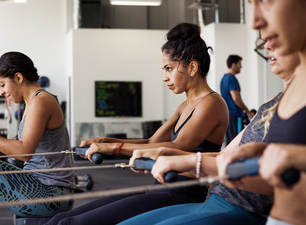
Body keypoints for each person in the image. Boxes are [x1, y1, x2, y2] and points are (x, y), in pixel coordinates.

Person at [46, 23, 229, 225]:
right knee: (60, 218)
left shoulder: (211, 103)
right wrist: (105, 141)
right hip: (159, 186)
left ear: (192, 67)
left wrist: (116, 147)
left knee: (70, 224)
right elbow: (152, 141)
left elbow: (178, 146)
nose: (164, 77)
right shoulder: (185, 105)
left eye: (169, 69)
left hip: (182, 194)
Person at [118, 37, 299, 225]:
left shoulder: (214, 101)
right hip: (214, 199)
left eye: (276, 36)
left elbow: (282, 178)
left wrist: (191, 160)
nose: (267, 45)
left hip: (242, 210)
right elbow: (224, 155)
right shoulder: (269, 103)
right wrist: (166, 153)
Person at [219, 0, 306, 225]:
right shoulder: (290, 88)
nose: (255, 22)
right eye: (250, 1)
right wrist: (261, 152)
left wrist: (298, 156)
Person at [0, 52, 76, 225]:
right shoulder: (31, 102)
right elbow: (19, 147)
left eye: (2, 84)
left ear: (18, 77)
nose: (1, 91)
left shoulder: (41, 101)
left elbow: (24, 152)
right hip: (41, 186)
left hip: (52, 193)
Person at [220, 54, 254, 144]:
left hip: (227, 115)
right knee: (237, 142)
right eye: (239, 64)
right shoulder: (232, 78)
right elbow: (236, 98)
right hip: (235, 115)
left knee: (230, 142)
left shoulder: (224, 79)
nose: (241, 66)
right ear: (233, 65)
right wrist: (247, 111)